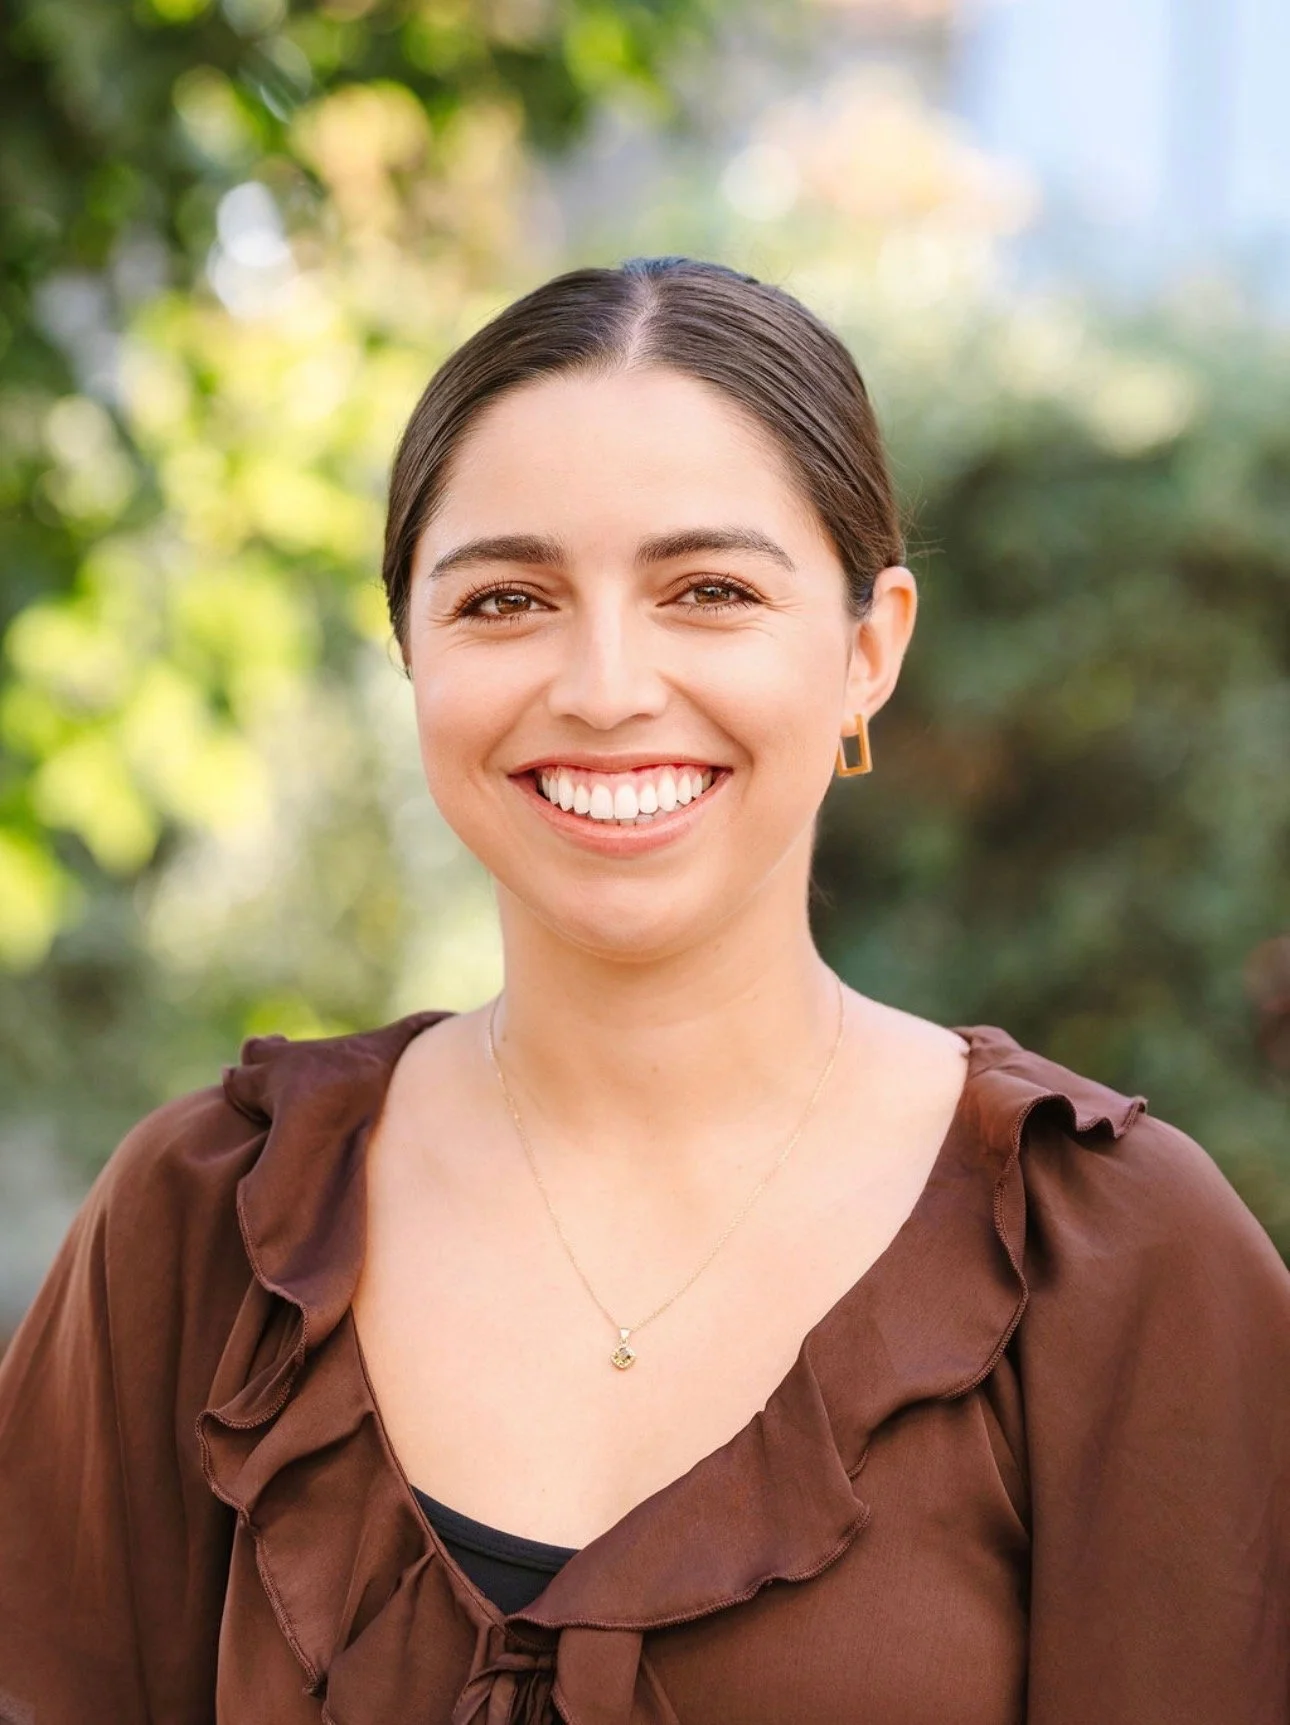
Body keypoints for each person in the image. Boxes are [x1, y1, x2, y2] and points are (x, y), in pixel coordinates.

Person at [0, 257, 1286, 1725]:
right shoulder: (203, 1225)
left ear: (869, 648)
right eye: (506, 599)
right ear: (410, 647)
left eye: (709, 590)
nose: (605, 685)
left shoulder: (1115, 1262)